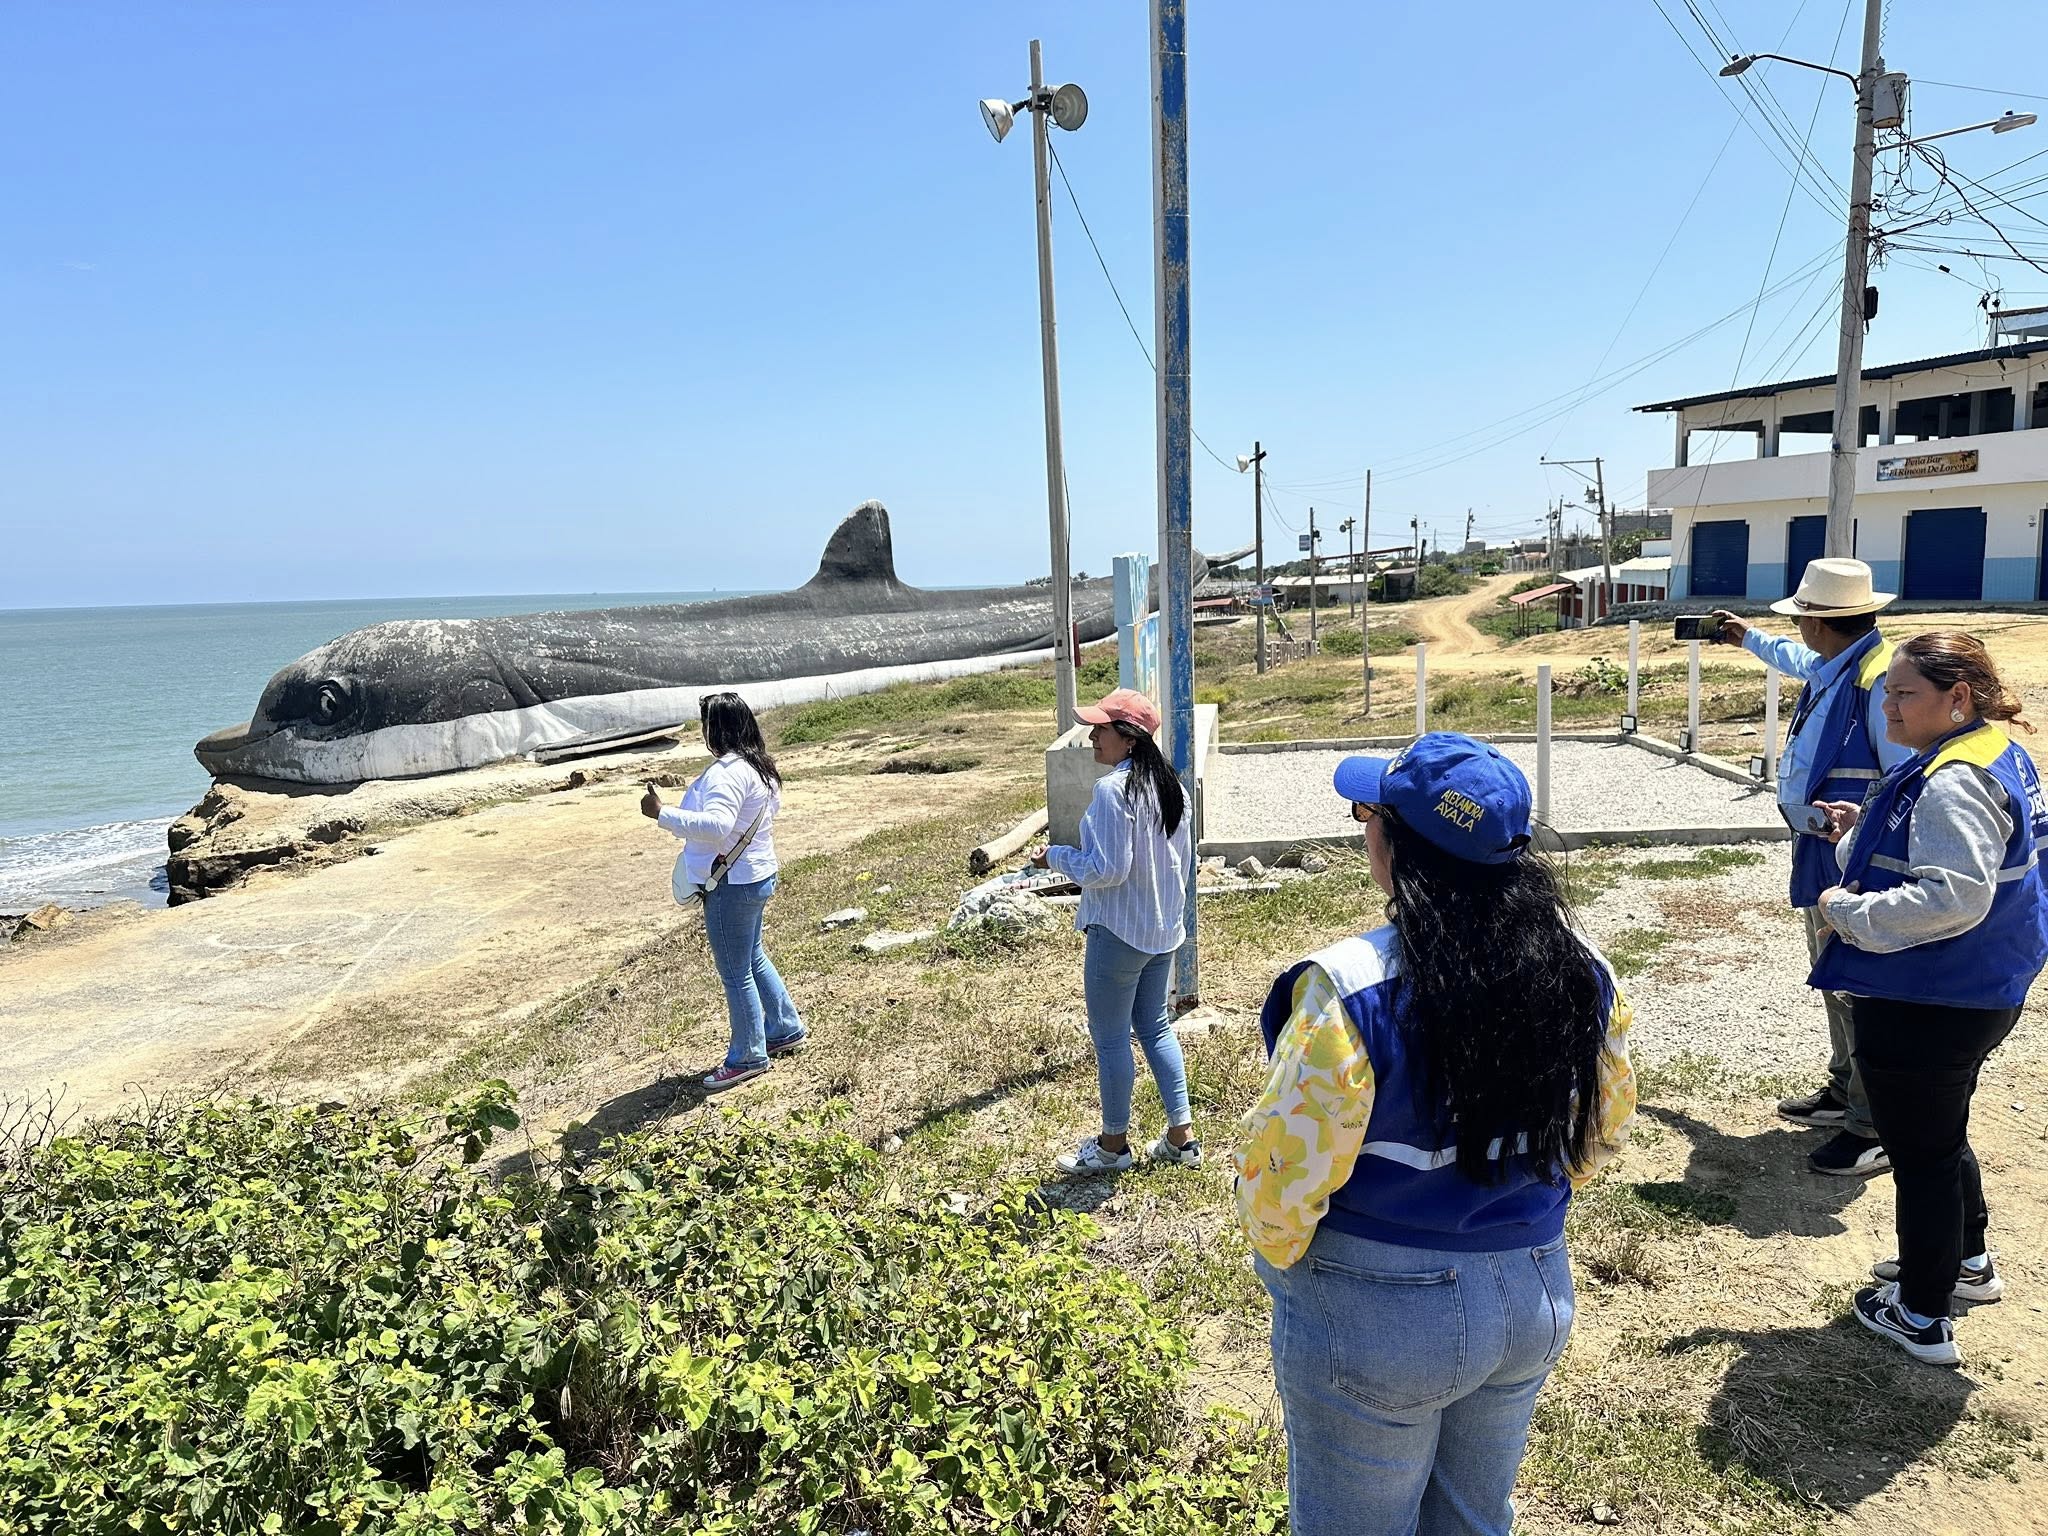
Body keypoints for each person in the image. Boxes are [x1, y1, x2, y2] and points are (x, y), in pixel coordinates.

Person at [1234, 733, 1634, 1536]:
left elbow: (1284, 1173)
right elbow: (1602, 1128)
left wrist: (1285, 1264)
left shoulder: (1349, 987)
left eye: (1368, 816)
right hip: (1533, 1290)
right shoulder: (1584, 970)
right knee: (1474, 1521)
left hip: (1380, 1313)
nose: (1365, 832)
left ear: (1401, 848)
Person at [1809, 632, 2048, 1366]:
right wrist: (1861, 832)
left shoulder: (1953, 780)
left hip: (1931, 997)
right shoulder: (1990, 752)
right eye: (1888, 691)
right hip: (1980, 987)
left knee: (1920, 1155)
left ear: (1958, 697)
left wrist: (1845, 912)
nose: (1889, 706)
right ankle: (1966, 1263)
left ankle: (1922, 1312)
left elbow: (1952, 897)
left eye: (1905, 693)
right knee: (1940, 1136)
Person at [1713, 556, 1910, 1177]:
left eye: (1800, 619)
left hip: (1859, 858)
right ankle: (1845, 1088)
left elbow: (1906, 775)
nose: (1798, 630)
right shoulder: (1843, 663)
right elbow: (1796, 660)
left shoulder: (1879, 683)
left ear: (1818, 623)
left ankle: (1872, 1124)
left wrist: (1861, 831)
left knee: (1860, 986)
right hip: (1825, 850)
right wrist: (1748, 638)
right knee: (1833, 972)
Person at [1032, 687, 1199, 1174]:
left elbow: (1107, 870)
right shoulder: (1172, 789)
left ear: (1128, 738)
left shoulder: (1111, 791)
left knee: (1110, 1040)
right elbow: (1180, 863)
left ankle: (1112, 1147)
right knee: (1154, 1026)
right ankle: (1182, 1138)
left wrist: (1055, 856)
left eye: (1099, 729)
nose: (1091, 737)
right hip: (1162, 931)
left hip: (1119, 932)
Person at [640, 692, 806, 1091]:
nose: (703, 731)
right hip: (756, 874)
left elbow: (717, 826)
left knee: (735, 971)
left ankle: (748, 1055)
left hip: (730, 883)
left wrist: (661, 813)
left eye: (705, 724)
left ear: (716, 729)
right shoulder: (759, 767)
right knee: (752, 955)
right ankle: (783, 1027)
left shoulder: (726, 772)